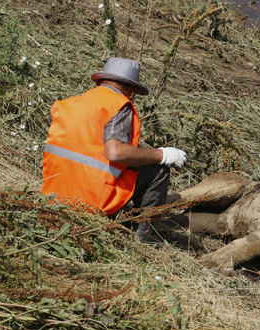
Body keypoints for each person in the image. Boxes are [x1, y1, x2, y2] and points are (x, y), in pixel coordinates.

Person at [42, 57, 187, 241]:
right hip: (91, 201)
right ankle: (143, 240)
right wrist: (162, 154)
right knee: (158, 169)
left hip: (54, 196)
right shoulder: (118, 104)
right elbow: (115, 152)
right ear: (133, 91)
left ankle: (124, 214)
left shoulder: (70, 103)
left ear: (100, 82)